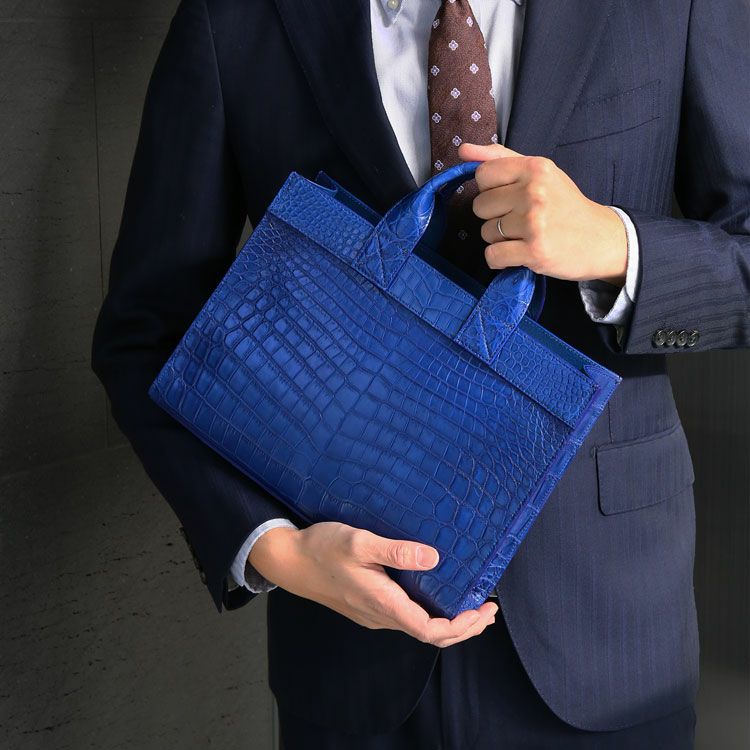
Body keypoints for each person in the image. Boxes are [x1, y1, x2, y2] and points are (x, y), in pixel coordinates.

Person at [90, 0, 750, 747]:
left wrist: (617, 247)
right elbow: (146, 332)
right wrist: (274, 547)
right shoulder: (236, 18)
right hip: (347, 656)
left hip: (606, 633)